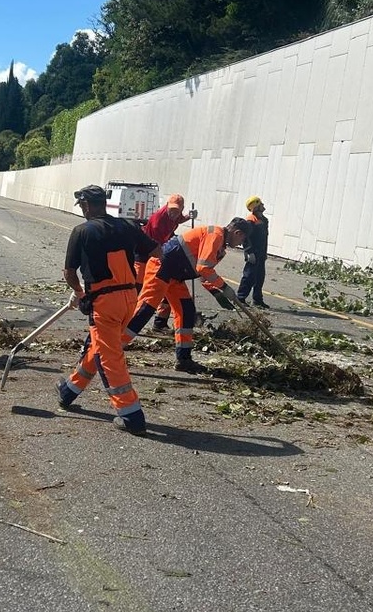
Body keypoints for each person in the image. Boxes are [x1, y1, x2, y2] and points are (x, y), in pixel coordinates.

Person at [58, 185, 162, 434]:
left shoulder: (81, 231)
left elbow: (69, 273)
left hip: (104, 302)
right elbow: (156, 251)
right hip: (129, 299)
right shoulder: (128, 226)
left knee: (109, 357)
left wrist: (80, 294)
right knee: (100, 345)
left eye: (82, 206)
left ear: (85, 205)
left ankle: (131, 416)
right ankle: (68, 391)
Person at [125, 218, 250, 373]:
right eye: (242, 239)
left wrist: (216, 293)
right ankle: (113, 348)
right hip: (162, 267)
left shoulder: (220, 247)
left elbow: (204, 273)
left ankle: (184, 359)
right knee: (145, 309)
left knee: (186, 311)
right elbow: (204, 268)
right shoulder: (215, 235)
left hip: (175, 276)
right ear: (237, 232)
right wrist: (224, 287)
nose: (240, 243)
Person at [139, 193, 188, 331]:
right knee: (142, 288)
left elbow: (178, 220)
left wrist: (189, 217)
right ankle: (128, 323)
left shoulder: (175, 216)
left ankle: (160, 323)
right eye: (171, 209)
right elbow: (156, 246)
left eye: (177, 210)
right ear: (166, 206)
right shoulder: (158, 221)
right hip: (146, 253)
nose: (173, 213)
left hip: (160, 251)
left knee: (167, 287)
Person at [236, 196, 270, 307]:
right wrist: (249, 252)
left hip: (261, 253)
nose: (263, 206)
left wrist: (264, 253)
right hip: (253, 253)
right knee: (249, 276)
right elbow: (246, 237)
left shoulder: (264, 220)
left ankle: (257, 300)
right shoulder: (250, 221)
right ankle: (240, 299)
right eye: (261, 204)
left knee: (260, 277)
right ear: (256, 207)